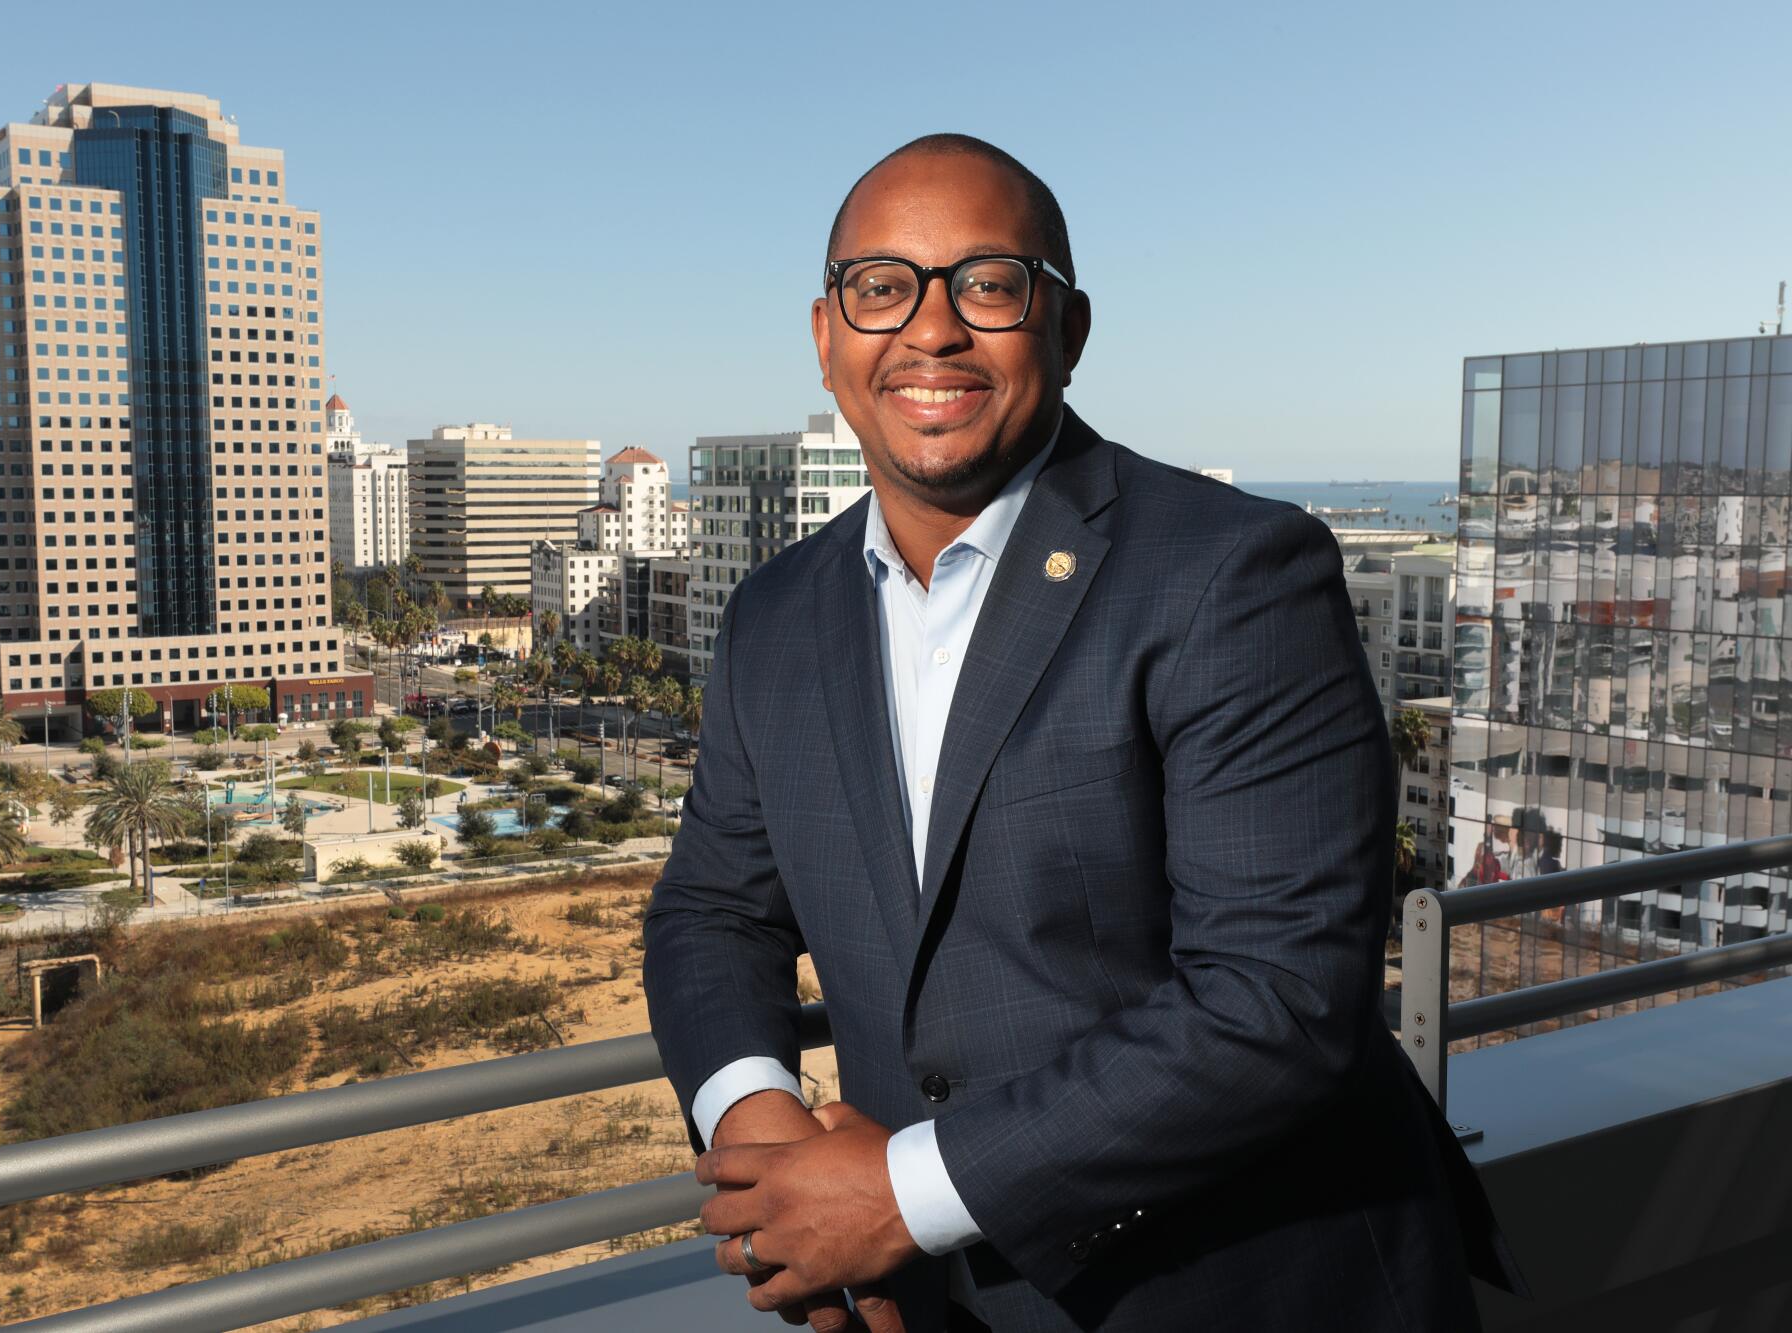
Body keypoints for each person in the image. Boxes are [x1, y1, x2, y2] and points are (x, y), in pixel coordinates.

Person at [644, 134, 1521, 1332]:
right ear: (824, 333)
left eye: (989, 284)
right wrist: (768, 1141)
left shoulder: (1231, 575)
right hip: (935, 1306)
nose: (930, 329)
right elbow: (711, 910)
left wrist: (899, 1193)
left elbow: (1274, 999)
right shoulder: (775, 616)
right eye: (880, 285)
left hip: (1241, 1290)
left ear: (1067, 328)